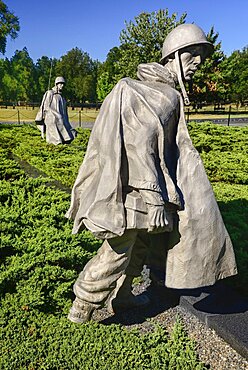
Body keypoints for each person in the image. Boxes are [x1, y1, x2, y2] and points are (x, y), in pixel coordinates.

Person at [66, 24, 237, 324]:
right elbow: (138, 146)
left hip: (146, 189)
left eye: (200, 56)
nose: (198, 63)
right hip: (138, 192)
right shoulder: (157, 95)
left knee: (141, 245)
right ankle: (83, 305)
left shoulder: (158, 91)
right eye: (193, 55)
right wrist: (155, 199)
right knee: (119, 248)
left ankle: (124, 295)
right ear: (175, 55)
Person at [35, 76, 76, 145]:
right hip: (50, 116)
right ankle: (57, 141)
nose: (62, 86)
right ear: (56, 84)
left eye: (63, 84)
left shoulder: (62, 97)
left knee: (62, 120)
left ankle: (66, 139)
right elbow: (46, 106)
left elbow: (64, 112)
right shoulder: (50, 93)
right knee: (58, 119)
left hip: (60, 118)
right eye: (60, 84)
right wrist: (55, 114)